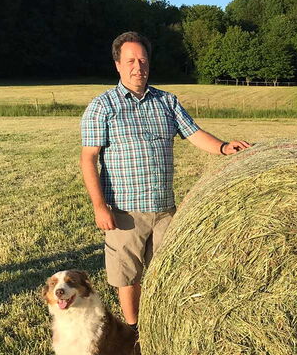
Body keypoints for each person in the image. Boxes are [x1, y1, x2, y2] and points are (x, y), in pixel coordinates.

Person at [80, 31, 250, 333]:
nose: (138, 67)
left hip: (165, 211)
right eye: (130, 60)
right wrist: (99, 206)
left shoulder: (167, 102)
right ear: (118, 64)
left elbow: (194, 134)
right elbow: (88, 158)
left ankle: (162, 327)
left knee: (166, 272)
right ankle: (135, 333)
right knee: (128, 276)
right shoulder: (103, 106)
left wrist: (223, 147)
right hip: (124, 213)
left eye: (143, 60)